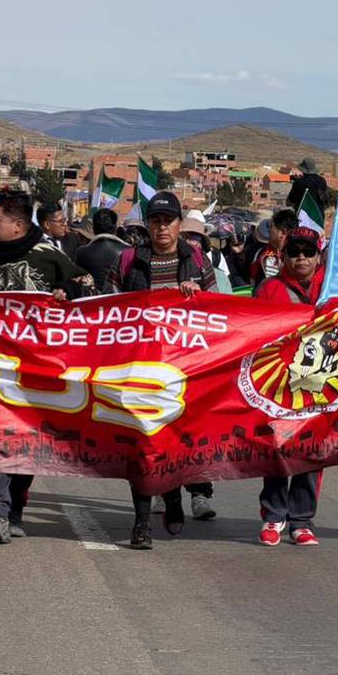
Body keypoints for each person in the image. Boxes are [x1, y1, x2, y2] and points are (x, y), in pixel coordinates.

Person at [0, 188, 92, 544]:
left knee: (27, 445)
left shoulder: (48, 256)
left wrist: (68, 294)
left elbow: (88, 288)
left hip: (35, 372)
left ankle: (15, 506)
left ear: (17, 225)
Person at [106, 192, 222, 549]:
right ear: (148, 225)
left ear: (178, 224)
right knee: (140, 446)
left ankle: (172, 496)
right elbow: (107, 312)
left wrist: (196, 298)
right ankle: (141, 523)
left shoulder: (197, 261)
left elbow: (218, 316)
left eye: (168, 221)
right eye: (155, 221)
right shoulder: (127, 262)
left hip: (185, 372)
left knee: (175, 444)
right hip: (138, 370)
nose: (161, 227)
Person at [252, 226, 328, 547]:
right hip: (278, 382)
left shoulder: (335, 285)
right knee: (277, 449)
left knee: (312, 450)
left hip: (322, 382)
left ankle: (301, 519)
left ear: (318, 256)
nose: (301, 258)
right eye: (294, 251)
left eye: (308, 252)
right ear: (283, 255)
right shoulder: (269, 289)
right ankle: (273, 515)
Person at [74, 207, 128, 293]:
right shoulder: (129, 251)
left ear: (94, 228)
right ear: (115, 228)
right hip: (120, 303)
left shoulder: (81, 252)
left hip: (91, 303)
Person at [180, 210, 232, 294]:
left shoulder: (220, 278)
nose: (189, 243)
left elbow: (226, 304)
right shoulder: (165, 274)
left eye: (195, 237)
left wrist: (200, 295)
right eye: (183, 239)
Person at [249, 209, 296, 287]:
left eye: (271, 227)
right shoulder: (262, 253)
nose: (268, 231)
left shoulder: (297, 256)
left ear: (283, 232)